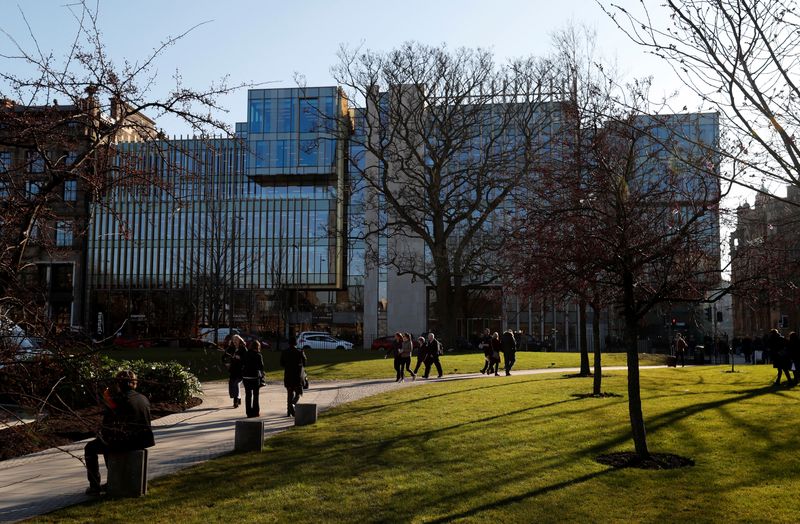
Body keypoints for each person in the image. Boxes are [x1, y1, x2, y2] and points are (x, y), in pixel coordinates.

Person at [84, 370, 155, 495]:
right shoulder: (142, 398)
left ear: (118, 384)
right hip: (142, 440)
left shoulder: (119, 400)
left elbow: (109, 425)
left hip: (125, 441)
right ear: (134, 383)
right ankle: (112, 480)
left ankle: (94, 486)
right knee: (105, 443)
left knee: (90, 448)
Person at [280, 344, 307, 416]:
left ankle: (289, 412)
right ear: (295, 344)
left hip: (288, 375)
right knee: (298, 393)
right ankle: (293, 404)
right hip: (297, 376)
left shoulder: (285, 352)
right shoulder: (300, 351)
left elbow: (282, 363)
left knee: (289, 393)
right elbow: (305, 363)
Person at [241, 340, 265, 417]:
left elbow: (243, 363)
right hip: (254, 377)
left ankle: (248, 412)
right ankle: (255, 411)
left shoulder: (246, 354)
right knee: (256, 395)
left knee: (248, 395)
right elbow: (261, 366)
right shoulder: (258, 355)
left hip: (246, 376)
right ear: (258, 347)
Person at [223, 334, 246, 408]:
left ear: (240, 340)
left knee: (236, 384)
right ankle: (238, 398)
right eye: (233, 340)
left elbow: (247, 359)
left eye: (236, 340)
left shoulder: (243, 349)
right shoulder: (230, 348)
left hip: (241, 370)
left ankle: (235, 402)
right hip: (233, 370)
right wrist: (226, 363)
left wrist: (240, 358)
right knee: (231, 385)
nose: (235, 341)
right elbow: (223, 357)